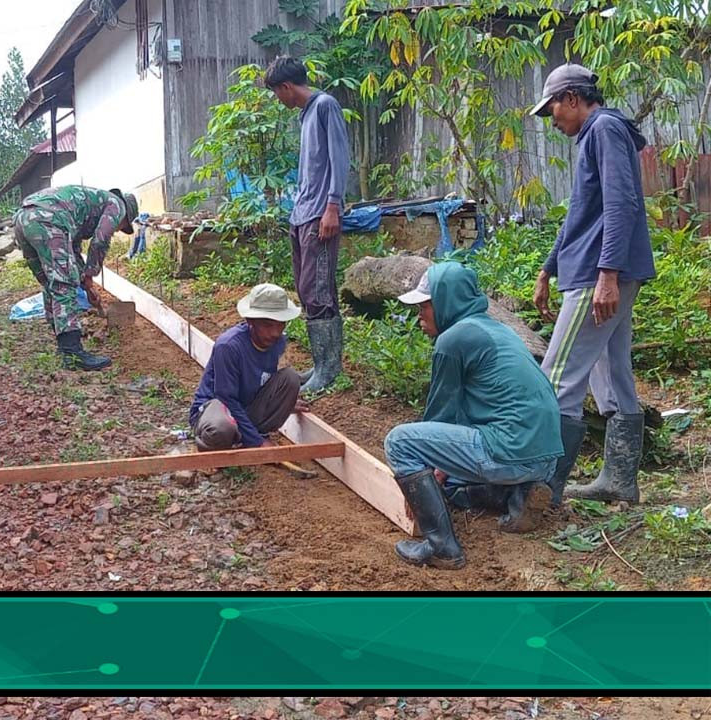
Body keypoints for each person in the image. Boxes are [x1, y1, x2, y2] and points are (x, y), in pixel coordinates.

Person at [530, 64, 656, 505]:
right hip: (600, 271)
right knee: (612, 375)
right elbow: (582, 215)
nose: (553, 120)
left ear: (570, 97)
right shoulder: (598, 134)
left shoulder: (603, 129)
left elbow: (622, 203)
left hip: (600, 275)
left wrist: (606, 275)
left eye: (553, 111)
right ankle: (619, 480)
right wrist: (548, 267)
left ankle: (542, 492)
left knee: (558, 377)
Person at [385, 263, 564, 570]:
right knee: (449, 476)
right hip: (543, 458)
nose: (420, 318)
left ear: (445, 302)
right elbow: (467, 412)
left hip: (510, 448)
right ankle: (514, 496)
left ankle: (441, 547)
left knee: (400, 442)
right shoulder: (496, 329)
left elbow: (438, 418)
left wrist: (422, 482)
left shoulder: (453, 339)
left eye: (424, 308)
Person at [264, 55, 351, 394]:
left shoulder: (326, 106)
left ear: (286, 87)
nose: (278, 99)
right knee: (305, 288)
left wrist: (333, 206)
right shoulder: (306, 115)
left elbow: (339, 159)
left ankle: (329, 370)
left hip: (320, 214)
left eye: (276, 93)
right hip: (302, 214)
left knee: (318, 290)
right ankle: (320, 364)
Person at [12, 185, 139, 371]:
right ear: (126, 217)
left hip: (23, 219)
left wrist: (86, 285)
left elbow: (73, 248)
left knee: (50, 282)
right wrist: (90, 274)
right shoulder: (117, 205)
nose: (118, 228)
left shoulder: (90, 203)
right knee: (64, 285)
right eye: (122, 227)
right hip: (49, 220)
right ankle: (72, 353)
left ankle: (63, 344)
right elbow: (101, 239)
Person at [189, 284, 306, 451]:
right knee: (221, 429)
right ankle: (212, 443)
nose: (275, 332)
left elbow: (263, 380)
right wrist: (257, 442)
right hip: (218, 407)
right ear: (250, 321)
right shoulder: (229, 346)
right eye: (267, 325)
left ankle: (244, 435)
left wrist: (281, 402)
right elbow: (226, 397)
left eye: (281, 325)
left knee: (291, 378)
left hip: (246, 405)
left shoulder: (277, 342)